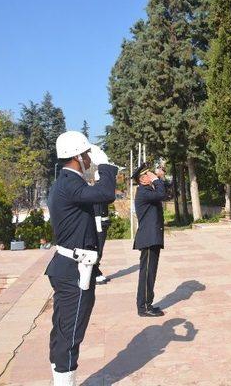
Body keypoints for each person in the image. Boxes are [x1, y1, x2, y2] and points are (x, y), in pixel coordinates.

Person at [45, 131, 117, 385]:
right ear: (77, 155)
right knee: (71, 332)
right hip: (74, 269)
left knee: (64, 330)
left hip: (70, 266)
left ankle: (62, 380)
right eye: (87, 154)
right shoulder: (70, 184)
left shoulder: (66, 182)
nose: (90, 158)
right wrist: (106, 164)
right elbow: (107, 193)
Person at [132, 161, 167, 317]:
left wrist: (160, 179)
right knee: (146, 274)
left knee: (150, 273)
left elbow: (167, 192)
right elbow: (162, 194)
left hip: (152, 238)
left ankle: (148, 303)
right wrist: (157, 180)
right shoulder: (143, 192)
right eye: (148, 174)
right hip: (148, 238)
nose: (151, 175)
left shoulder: (148, 190)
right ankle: (144, 307)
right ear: (142, 179)